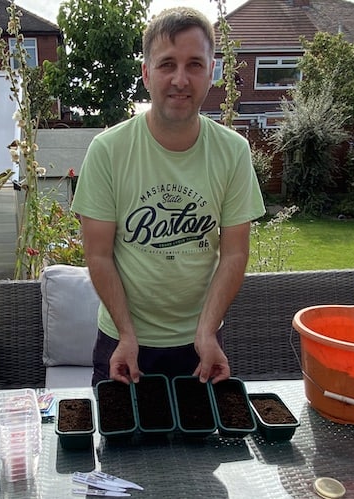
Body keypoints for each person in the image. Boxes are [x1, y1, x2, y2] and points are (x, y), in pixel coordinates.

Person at [71, 7, 265, 387]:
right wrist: (127, 334)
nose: (180, 79)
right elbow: (98, 254)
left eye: (194, 64)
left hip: (200, 344)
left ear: (212, 72)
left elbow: (235, 253)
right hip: (123, 342)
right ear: (146, 74)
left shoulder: (233, 151)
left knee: (202, 445)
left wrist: (207, 331)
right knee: (118, 445)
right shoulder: (108, 150)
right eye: (166, 64)